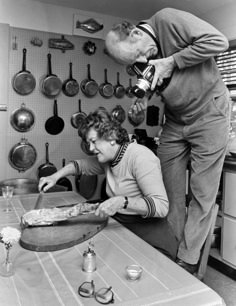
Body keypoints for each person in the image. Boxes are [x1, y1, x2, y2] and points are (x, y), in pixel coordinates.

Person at [105, 8, 231, 274]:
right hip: (175, 120)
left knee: (202, 194)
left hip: (210, 113)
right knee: (167, 193)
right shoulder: (141, 60)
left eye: (139, 53)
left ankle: (187, 260)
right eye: (134, 60)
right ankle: (172, 251)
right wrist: (140, 107)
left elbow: (218, 41)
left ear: (137, 33)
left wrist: (171, 61)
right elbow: (153, 89)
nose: (142, 60)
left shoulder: (167, 20)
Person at [38, 107, 178, 260]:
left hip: (150, 236)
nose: (91, 149)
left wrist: (122, 202)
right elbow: (79, 166)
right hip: (124, 228)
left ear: (111, 136)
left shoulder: (140, 157)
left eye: (93, 141)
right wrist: (55, 176)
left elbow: (161, 207)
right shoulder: (109, 158)